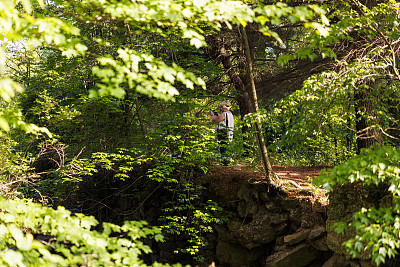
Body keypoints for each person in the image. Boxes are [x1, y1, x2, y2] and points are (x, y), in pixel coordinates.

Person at [210, 100, 234, 166]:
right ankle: (226, 164)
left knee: (223, 149)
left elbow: (215, 120)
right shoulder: (229, 113)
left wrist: (212, 115)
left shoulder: (224, 114)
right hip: (227, 133)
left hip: (223, 133)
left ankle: (226, 164)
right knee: (225, 148)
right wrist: (219, 115)